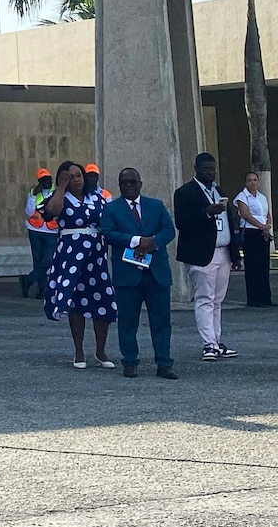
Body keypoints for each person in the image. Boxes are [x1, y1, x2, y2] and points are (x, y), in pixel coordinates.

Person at [100, 168, 178, 379]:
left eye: (133, 182)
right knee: (127, 320)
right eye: (124, 183)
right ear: (119, 186)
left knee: (161, 320)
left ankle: (164, 363)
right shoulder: (111, 209)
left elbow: (169, 230)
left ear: (140, 184)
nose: (129, 186)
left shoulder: (156, 205)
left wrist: (153, 244)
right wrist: (135, 241)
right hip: (127, 273)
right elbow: (107, 233)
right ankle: (130, 362)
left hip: (156, 272)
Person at [42, 161, 117, 368]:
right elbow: (52, 212)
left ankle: (101, 351)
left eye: (78, 175)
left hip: (96, 255)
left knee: (101, 297)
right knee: (76, 301)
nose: (76, 180)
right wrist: (61, 187)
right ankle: (79, 351)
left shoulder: (97, 198)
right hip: (71, 255)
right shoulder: (61, 198)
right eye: (70, 176)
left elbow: (109, 220)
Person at [175, 153, 240, 361]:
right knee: (204, 298)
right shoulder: (185, 192)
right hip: (201, 253)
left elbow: (229, 222)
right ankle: (208, 344)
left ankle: (217, 341)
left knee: (218, 300)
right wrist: (207, 212)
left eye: (213, 169)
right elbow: (182, 222)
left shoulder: (219, 191)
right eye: (206, 169)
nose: (210, 173)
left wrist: (234, 254)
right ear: (196, 168)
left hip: (223, 251)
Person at [234, 171, 272, 308]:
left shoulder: (262, 197)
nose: (252, 182)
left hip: (263, 232)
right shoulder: (242, 197)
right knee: (253, 266)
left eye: (255, 180)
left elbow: (267, 213)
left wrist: (267, 226)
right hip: (251, 232)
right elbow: (245, 214)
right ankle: (255, 299)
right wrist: (261, 226)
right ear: (246, 182)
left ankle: (266, 298)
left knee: (263, 265)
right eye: (249, 180)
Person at [21, 168, 58, 299]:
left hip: (52, 231)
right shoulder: (34, 193)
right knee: (38, 261)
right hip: (35, 230)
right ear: (39, 182)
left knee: (48, 260)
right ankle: (42, 290)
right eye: (43, 180)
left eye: (48, 179)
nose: (46, 182)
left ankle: (28, 280)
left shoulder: (57, 192)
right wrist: (33, 196)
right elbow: (29, 212)